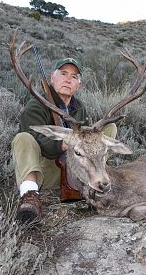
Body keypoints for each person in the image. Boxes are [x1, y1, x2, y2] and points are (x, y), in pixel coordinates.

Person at [11, 58, 117, 223]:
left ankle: (96, 180)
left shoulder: (79, 107)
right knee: (23, 138)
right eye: (63, 74)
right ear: (52, 78)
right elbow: (36, 139)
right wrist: (64, 143)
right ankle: (30, 195)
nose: (68, 79)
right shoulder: (36, 105)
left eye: (74, 76)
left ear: (78, 85)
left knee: (108, 129)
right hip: (44, 172)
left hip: (73, 170)